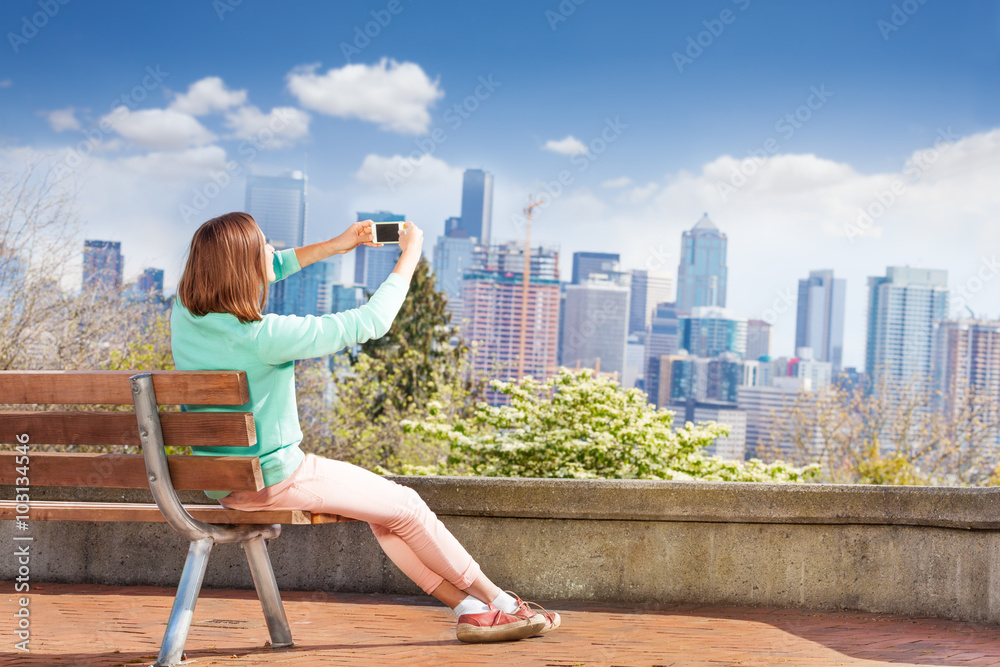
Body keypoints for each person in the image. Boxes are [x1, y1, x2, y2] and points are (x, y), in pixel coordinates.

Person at [170, 211, 560, 644]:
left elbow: (267, 266)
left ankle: (468, 608)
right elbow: (372, 322)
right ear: (243, 266)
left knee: (386, 514)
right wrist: (409, 256)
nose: (272, 252)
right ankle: (502, 603)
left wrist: (340, 243)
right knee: (407, 506)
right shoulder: (266, 336)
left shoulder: (184, 316)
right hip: (277, 479)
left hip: (228, 487)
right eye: (264, 244)